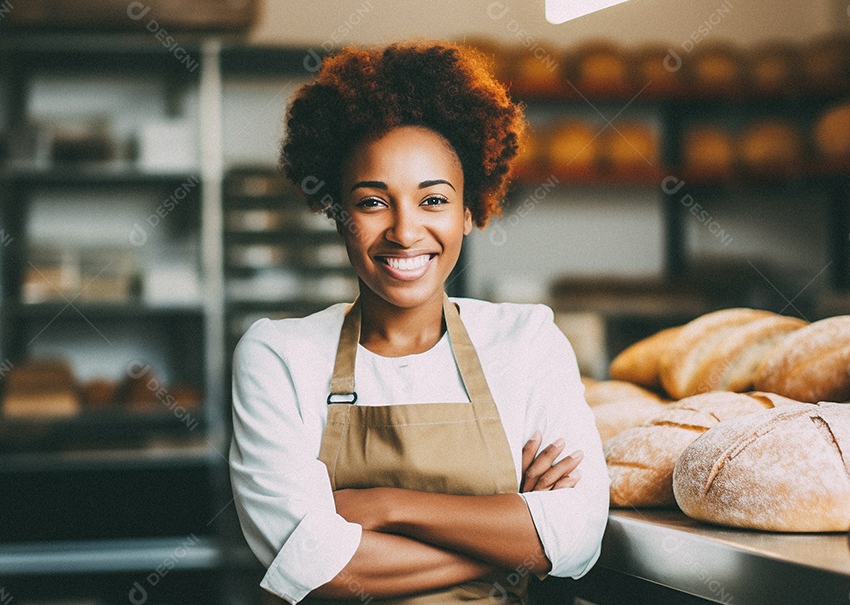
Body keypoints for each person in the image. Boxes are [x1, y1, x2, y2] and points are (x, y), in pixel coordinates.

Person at [228, 40, 609, 604]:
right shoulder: (278, 356)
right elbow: (318, 568)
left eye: (433, 201)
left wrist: (384, 506)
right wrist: (513, 543)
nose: (405, 232)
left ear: (470, 211)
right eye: (373, 202)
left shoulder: (527, 342)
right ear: (338, 215)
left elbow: (575, 540)